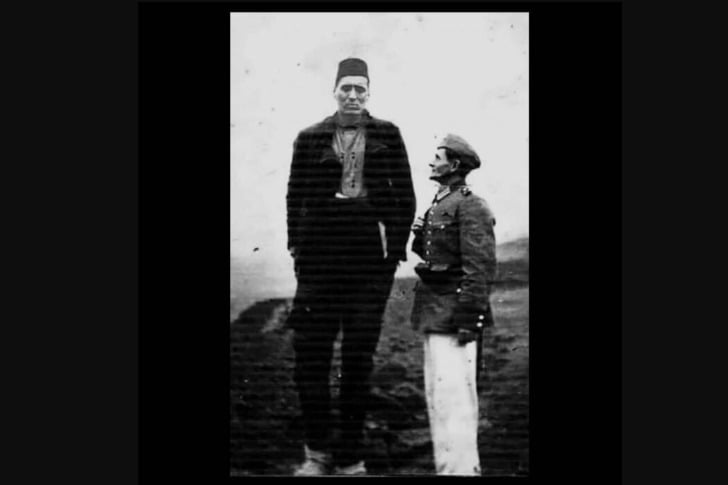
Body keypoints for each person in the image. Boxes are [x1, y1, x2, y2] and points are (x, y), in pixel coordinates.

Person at [286, 57, 416, 476]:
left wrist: (392, 255)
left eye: (361, 88)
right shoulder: (310, 137)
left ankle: (350, 457)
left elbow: (406, 197)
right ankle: (317, 453)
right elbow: (294, 197)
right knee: (311, 357)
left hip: (368, 265)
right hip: (319, 264)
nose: (354, 96)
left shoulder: (387, 134)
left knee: (357, 361)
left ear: (369, 92)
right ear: (335, 91)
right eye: (347, 88)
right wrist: (297, 249)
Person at [410, 134, 497, 475]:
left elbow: (479, 267)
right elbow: (435, 254)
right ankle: (447, 469)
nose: (432, 162)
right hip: (434, 312)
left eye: (438, 157)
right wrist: (419, 235)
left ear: (454, 165)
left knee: (455, 402)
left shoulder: (471, 205)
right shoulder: (440, 202)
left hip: (455, 315)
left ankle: (461, 470)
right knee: (438, 399)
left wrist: (468, 319)